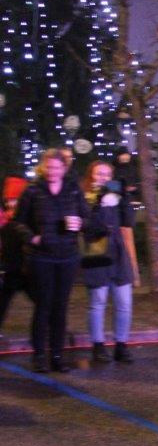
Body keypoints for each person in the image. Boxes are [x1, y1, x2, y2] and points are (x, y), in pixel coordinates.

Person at [12, 148, 88, 372]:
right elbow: (18, 222)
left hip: (68, 257)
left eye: (57, 167)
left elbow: (87, 217)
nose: (52, 171)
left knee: (60, 307)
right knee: (44, 306)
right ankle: (39, 356)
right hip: (42, 258)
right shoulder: (33, 190)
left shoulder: (73, 190)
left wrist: (80, 223)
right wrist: (32, 238)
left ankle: (57, 356)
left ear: (64, 168)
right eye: (49, 167)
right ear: (43, 167)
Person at [81, 161, 137, 363]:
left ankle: (121, 345)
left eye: (107, 174)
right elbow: (86, 226)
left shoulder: (115, 197)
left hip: (118, 256)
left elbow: (128, 222)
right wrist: (99, 204)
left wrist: (124, 197)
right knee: (98, 302)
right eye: (99, 174)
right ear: (91, 176)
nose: (103, 177)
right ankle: (98, 346)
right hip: (96, 254)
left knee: (124, 303)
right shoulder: (85, 198)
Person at [0, 185, 31, 337]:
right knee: (3, 300)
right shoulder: (4, 219)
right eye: (9, 200)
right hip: (10, 268)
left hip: (24, 268)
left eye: (14, 200)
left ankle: (51, 326)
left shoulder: (24, 217)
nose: (11, 203)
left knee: (40, 298)